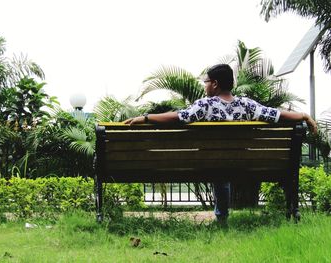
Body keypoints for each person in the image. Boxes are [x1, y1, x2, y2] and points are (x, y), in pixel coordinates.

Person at [124, 64, 317, 222]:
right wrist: (302, 115)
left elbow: (179, 117)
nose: (205, 85)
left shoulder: (204, 105)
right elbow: (276, 114)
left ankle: (222, 218)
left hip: (211, 164)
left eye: (206, 82)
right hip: (245, 163)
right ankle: (290, 211)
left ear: (215, 84)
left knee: (219, 165)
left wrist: (147, 117)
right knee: (225, 163)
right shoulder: (247, 104)